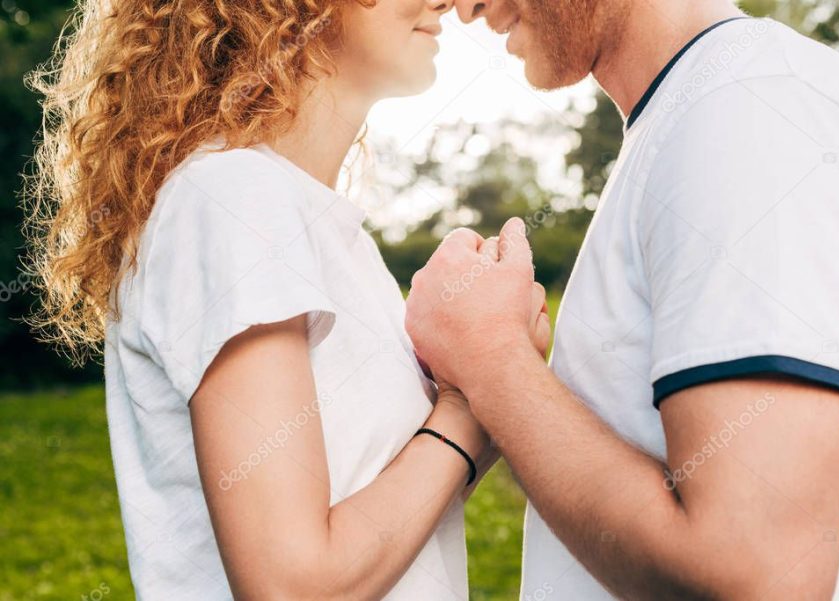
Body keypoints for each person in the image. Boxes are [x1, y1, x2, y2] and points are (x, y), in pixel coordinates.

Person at [23, 0, 550, 598]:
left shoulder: (328, 233)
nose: (449, 2)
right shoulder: (234, 199)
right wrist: (464, 404)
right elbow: (293, 586)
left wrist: (492, 371)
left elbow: (403, 505)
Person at [406, 0, 839, 599]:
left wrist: (489, 358)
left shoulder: (748, 112)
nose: (464, 8)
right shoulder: (697, 113)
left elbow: (761, 575)